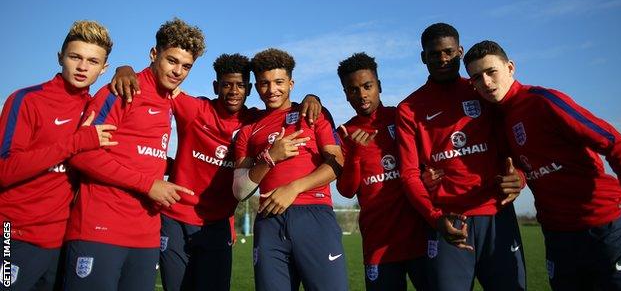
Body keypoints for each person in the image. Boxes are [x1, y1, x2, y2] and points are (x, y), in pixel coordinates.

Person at [109, 53, 322, 291]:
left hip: (218, 225)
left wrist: (312, 97)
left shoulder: (254, 123)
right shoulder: (194, 109)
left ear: (250, 89)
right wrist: (125, 67)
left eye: (240, 85)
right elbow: (160, 84)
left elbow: (282, 109)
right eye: (226, 84)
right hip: (175, 219)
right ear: (215, 86)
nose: (233, 91)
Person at [464, 40, 621, 290]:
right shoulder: (496, 119)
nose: (485, 82)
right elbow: (520, 167)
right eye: (476, 77)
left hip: (604, 225)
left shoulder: (544, 101)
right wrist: (517, 178)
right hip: (556, 234)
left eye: (491, 71)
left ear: (510, 67)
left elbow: (614, 143)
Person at [63, 18, 204, 291]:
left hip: (146, 237)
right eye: (171, 60)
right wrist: (148, 184)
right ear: (154, 54)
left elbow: (139, 154)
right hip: (100, 231)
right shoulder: (121, 89)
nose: (177, 71)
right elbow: (80, 154)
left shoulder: (170, 101)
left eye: (186, 66)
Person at [395, 23, 526, 290]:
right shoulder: (409, 108)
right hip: (448, 220)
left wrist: (520, 177)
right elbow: (408, 174)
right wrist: (434, 217)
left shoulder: (483, 90)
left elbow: (515, 146)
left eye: (448, 52)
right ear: (424, 57)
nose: (442, 59)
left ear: (460, 52)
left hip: (496, 215)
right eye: (434, 54)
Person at [0, 21, 115, 291]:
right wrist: (75, 143)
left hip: (62, 241)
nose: (83, 67)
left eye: (93, 61)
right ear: (60, 57)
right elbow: (5, 170)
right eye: (75, 57)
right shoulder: (27, 100)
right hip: (12, 234)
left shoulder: (94, 110)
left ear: (103, 69)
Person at [233, 48, 348, 291]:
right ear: (256, 86)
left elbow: (337, 163)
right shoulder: (248, 130)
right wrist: (270, 158)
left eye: (279, 82)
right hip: (269, 221)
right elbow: (240, 191)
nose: (272, 89)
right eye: (264, 83)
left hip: (314, 215)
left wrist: (294, 188)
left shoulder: (313, 113)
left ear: (291, 83)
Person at [335, 52, 428, 290]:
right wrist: (355, 153)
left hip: (420, 237)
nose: (362, 94)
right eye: (353, 89)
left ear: (379, 86)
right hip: (379, 241)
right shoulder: (345, 133)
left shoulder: (402, 118)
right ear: (346, 94)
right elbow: (346, 190)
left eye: (367, 86)